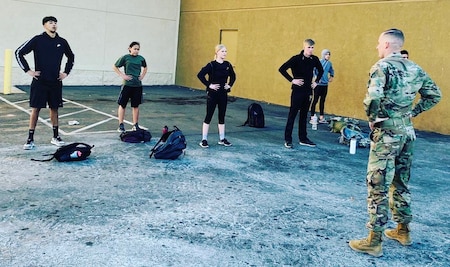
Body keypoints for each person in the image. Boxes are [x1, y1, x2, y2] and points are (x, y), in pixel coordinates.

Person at [349, 29, 441, 257]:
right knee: (401, 182)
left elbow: (372, 98)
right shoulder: (415, 68)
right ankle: (403, 231)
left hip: (387, 134)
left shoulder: (382, 67)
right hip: (407, 134)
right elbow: (434, 94)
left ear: (388, 44)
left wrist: (373, 119)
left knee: (377, 184)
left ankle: (374, 240)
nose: (377, 48)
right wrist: (411, 112)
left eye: (379, 44)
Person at [15, 16, 75, 150]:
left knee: (54, 108)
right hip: (40, 81)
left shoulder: (62, 41)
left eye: (55, 23)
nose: (53, 25)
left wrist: (65, 72)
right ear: (44, 25)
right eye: (50, 23)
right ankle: (30, 139)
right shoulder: (37, 40)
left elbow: (71, 57)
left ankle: (55, 137)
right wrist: (28, 70)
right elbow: (19, 52)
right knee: (35, 109)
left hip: (55, 82)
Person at [279, 39, 324, 148]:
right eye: (309, 47)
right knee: (292, 115)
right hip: (297, 91)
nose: (311, 50)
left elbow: (321, 71)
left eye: (312, 48)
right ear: (304, 47)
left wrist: (316, 82)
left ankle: (303, 138)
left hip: (308, 91)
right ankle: (288, 139)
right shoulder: (296, 59)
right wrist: (292, 80)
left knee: (304, 115)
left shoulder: (314, 59)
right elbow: (282, 69)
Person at [197, 44, 236, 148]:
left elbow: (233, 76)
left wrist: (229, 85)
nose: (225, 53)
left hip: (223, 94)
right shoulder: (211, 65)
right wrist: (209, 85)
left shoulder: (227, 64)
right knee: (208, 116)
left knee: (222, 116)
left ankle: (222, 139)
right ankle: (204, 140)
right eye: (223, 51)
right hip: (212, 94)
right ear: (217, 52)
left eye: (226, 51)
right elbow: (200, 75)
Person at [113, 41, 148, 132]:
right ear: (130, 48)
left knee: (135, 106)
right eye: (135, 49)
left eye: (138, 49)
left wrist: (142, 76)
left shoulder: (141, 58)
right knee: (122, 104)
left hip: (137, 86)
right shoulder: (125, 58)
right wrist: (122, 75)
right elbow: (115, 66)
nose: (136, 51)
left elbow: (145, 67)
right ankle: (121, 125)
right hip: (127, 85)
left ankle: (135, 125)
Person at [310, 49, 334, 124]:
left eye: (329, 54)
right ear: (323, 55)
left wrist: (331, 76)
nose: (328, 56)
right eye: (326, 54)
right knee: (315, 100)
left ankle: (321, 117)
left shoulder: (329, 63)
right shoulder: (319, 62)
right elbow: (313, 70)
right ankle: (312, 116)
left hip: (325, 85)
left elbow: (331, 70)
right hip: (318, 85)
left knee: (322, 101)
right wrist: (316, 78)